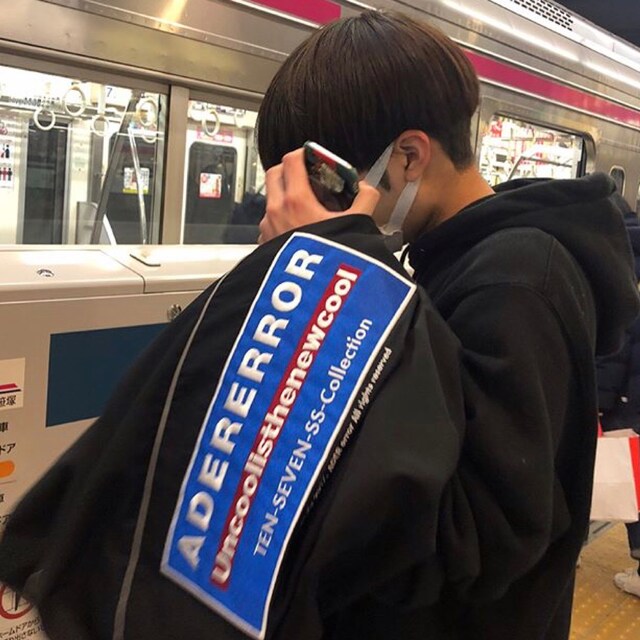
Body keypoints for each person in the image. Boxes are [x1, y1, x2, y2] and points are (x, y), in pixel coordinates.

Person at [256, 9, 639, 640]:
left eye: (331, 188)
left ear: (408, 157)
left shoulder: (514, 281)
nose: (323, 209)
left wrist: (327, 274)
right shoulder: (448, 257)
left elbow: (478, 540)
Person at [596, 192, 640, 597]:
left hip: (627, 397)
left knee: (623, 475)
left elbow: (619, 345)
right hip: (632, 392)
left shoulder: (621, 264)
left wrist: (603, 400)